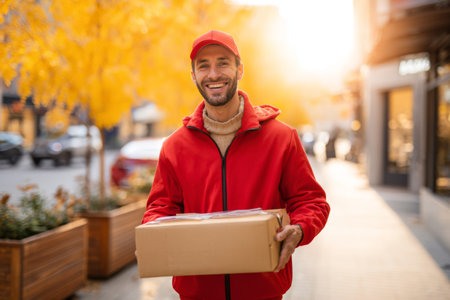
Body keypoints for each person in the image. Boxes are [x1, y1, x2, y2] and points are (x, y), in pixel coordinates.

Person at [141, 30, 330, 300]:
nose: (214, 74)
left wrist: (299, 229)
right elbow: (161, 207)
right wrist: (151, 235)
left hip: (263, 291)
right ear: (193, 76)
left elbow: (311, 201)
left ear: (240, 69)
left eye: (223, 63)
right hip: (197, 293)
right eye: (203, 66)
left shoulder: (281, 138)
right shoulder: (174, 146)